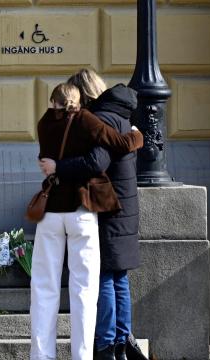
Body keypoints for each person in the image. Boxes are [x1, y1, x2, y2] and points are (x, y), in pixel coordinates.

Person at [31, 83, 143, 360]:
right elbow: (120, 144)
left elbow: (45, 159)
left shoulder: (44, 123)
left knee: (44, 288)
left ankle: (42, 355)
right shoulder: (86, 120)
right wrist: (138, 134)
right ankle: (82, 356)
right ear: (79, 102)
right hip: (81, 212)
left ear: (53, 101)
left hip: (50, 213)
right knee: (85, 290)